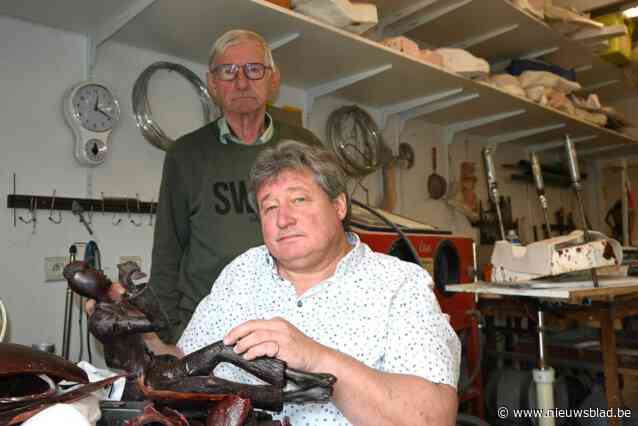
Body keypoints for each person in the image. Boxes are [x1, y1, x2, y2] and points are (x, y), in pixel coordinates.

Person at [173, 140, 461, 425]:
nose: (283, 219)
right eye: (269, 207)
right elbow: (184, 365)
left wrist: (316, 358)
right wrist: (144, 341)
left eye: (298, 200)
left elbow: (431, 418)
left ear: (338, 205)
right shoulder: (241, 272)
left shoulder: (400, 285)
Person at [151, 29, 322, 343]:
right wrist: (167, 335)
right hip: (208, 327)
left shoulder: (305, 146)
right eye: (228, 72)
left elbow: (332, 237)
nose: (242, 82)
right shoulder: (186, 155)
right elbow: (167, 252)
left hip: (293, 324)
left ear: (274, 80)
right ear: (213, 83)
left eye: (254, 70)